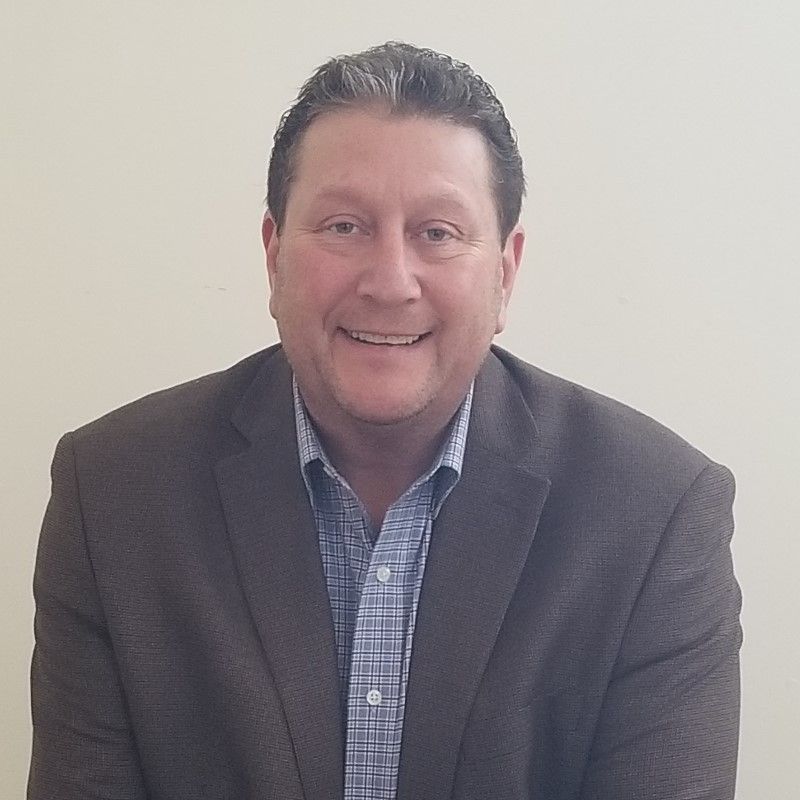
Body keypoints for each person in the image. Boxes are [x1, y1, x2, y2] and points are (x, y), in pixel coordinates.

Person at [28, 42, 742, 800]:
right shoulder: (114, 496)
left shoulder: (657, 513)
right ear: (273, 255)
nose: (390, 282)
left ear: (504, 274)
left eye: (438, 233)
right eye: (344, 226)